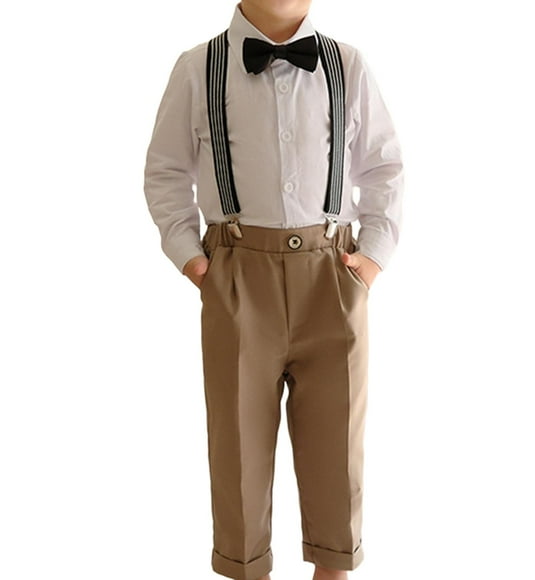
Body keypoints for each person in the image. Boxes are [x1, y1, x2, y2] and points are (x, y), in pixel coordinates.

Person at [143, 1, 404, 578]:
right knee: (238, 445)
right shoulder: (198, 67)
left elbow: (383, 167)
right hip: (238, 275)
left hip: (331, 274)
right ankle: (246, 567)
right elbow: (165, 170)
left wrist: (371, 258)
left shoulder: (348, 65)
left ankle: (333, 567)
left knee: (337, 442)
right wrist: (192, 259)